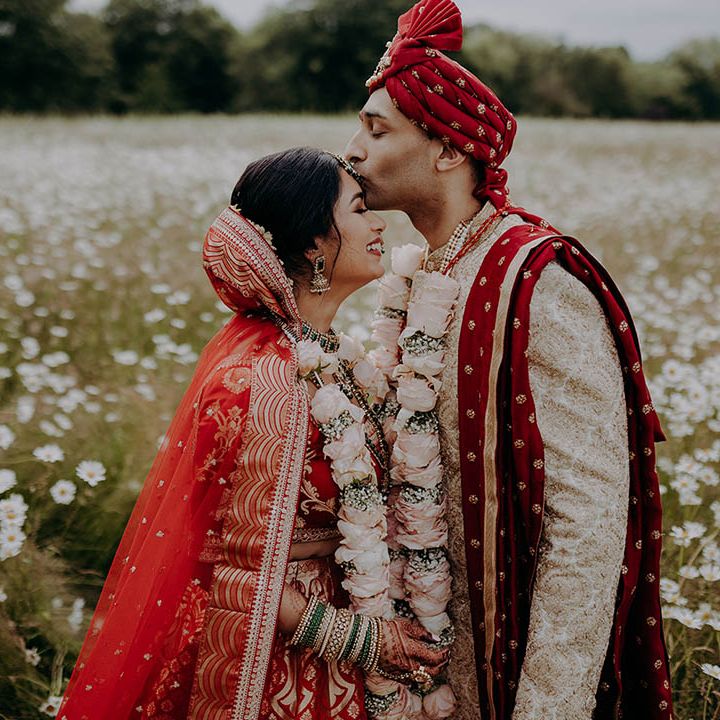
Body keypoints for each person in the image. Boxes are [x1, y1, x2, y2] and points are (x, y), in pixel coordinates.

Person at [344, 1, 674, 718]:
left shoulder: (540, 280)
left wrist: (547, 707)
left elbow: (587, 524)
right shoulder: (420, 273)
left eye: (377, 130)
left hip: (514, 675)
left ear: (449, 150)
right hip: (427, 664)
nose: (354, 151)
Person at [57, 147, 447, 720]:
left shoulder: (335, 357)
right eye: (360, 209)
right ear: (314, 243)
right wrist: (358, 639)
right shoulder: (256, 380)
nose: (379, 223)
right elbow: (220, 561)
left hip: (356, 616)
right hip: (279, 654)